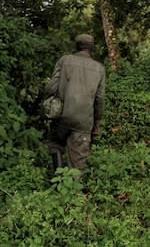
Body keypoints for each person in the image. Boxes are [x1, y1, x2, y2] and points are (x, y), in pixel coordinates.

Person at [44, 34, 105, 173]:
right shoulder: (99, 68)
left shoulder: (65, 60)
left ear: (76, 46)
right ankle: (75, 190)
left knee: (55, 144)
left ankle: (58, 181)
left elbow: (51, 87)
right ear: (92, 48)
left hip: (62, 115)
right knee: (79, 160)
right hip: (83, 121)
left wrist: (48, 103)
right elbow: (99, 99)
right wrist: (96, 123)